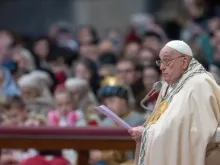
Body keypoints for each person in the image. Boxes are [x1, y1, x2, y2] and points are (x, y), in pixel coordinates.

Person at [128, 40, 220, 165]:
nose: (161, 67)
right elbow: (161, 120)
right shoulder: (168, 86)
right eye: (160, 61)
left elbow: (193, 130)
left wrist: (147, 134)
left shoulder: (199, 84)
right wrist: (146, 131)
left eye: (166, 60)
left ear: (184, 61)